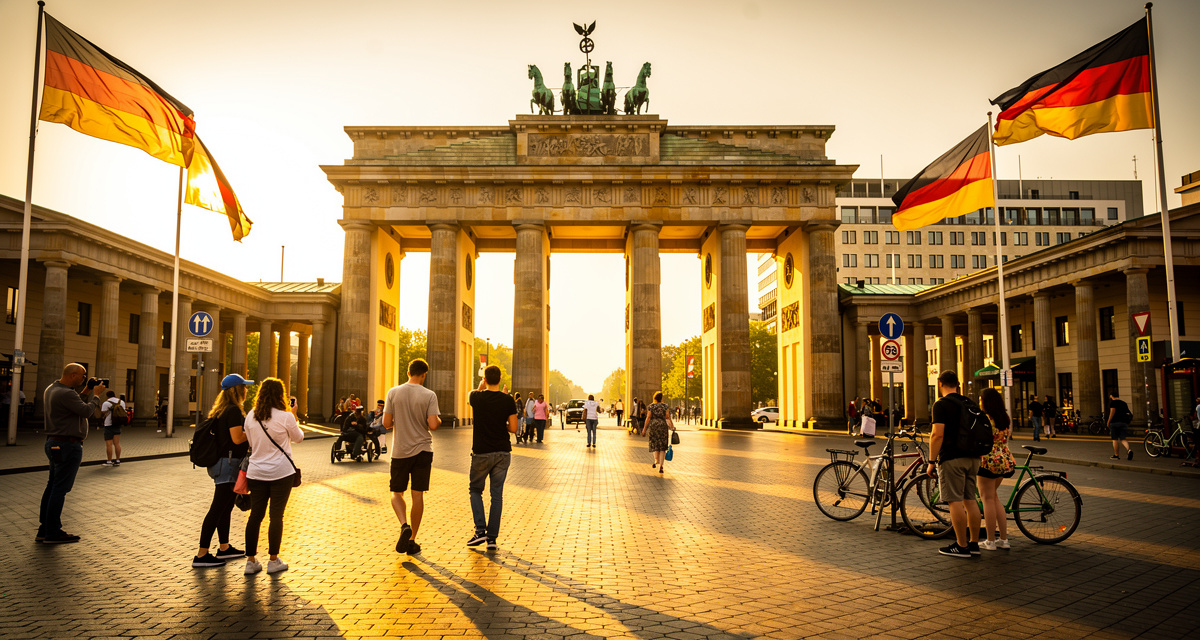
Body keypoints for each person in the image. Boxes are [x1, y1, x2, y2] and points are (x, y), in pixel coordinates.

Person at [38, 364, 105, 544]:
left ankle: (44, 529)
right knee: (60, 488)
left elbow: (75, 404)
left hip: (53, 442)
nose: (84, 378)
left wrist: (87, 389)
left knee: (52, 486)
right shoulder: (67, 393)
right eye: (82, 376)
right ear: (73, 375)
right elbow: (85, 410)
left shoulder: (53, 389)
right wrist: (96, 396)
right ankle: (53, 531)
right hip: (68, 445)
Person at [241, 377, 302, 575]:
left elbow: (250, 442)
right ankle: (273, 561)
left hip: (256, 472)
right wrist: (293, 416)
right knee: (276, 516)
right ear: (280, 395)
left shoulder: (251, 416)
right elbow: (298, 438)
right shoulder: (286, 417)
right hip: (281, 473)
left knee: (255, 516)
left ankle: (250, 561)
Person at [192, 374, 254, 568]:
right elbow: (237, 438)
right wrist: (253, 431)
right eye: (244, 387)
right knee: (217, 508)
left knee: (226, 507)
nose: (246, 390)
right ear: (237, 389)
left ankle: (224, 548)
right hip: (228, 464)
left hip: (224, 463)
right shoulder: (233, 411)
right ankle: (201, 555)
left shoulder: (222, 410)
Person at [384, 358, 441, 556]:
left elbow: (386, 423)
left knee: (396, 492)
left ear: (408, 373)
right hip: (423, 451)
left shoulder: (393, 392)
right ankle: (412, 540)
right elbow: (433, 424)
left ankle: (403, 525)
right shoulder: (429, 395)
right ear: (424, 375)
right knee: (417, 495)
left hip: (400, 451)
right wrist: (438, 419)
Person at [927, 370, 982, 558]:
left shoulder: (941, 405)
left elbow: (937, 435)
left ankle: (961, 545)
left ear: (940, 383)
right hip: (974, 457)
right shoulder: (969, 403)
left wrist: (931, 461)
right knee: (970, 499)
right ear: (957, 384)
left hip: (952, 457)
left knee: (955, 501)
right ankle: (974, 544)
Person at [466, 365, 519, 550]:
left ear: (485, 379)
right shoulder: (508, 400)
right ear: (500, 379)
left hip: (481, 452)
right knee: (496, 495)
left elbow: (470, 394)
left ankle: (480, 531)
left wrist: (480, 388)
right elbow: (513, 428)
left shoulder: (476, 397)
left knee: (475, 490)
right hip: (502, 453)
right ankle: (492, 539)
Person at [976, 387, 1015, 551]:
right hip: (1004, 460)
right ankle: (1003, 539)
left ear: (985, 402)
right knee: (995, 498)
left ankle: (990, 540)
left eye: (980, 399)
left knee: (987, 499)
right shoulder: (1004, 418)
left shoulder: (985, 419)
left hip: (987, 460)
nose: (979, 402)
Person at [641, 392, 677, 474]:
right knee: (662, 447)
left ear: (654, 398)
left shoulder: (651, 406)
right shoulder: (665, 406)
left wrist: (644, 429)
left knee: (655, 444)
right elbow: (667, 417)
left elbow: (648, 418)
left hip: (654, 427)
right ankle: (661, 465)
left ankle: (656, 460)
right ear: (661, 398)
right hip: (663, 426)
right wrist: (672, 426)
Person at [1106, 391, 1134, 461]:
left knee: (1115, 439)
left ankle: (1116, 455)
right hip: (1123, 422)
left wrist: (1108, 421)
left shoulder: (1113, 403)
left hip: (1115, 422)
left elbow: (1112, 412)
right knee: (1123, 438)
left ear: (1112, 396)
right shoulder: (1123, 403)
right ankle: (1129, 450)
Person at [100, 390, 125, 466]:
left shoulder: (106, 403)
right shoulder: (121, 402)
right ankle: (117, 460)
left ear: (107, 396)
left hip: (108, 425)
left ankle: (109, 461)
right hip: (117, 424)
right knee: (117, 443)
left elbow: (103, 412)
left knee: (109, 444)